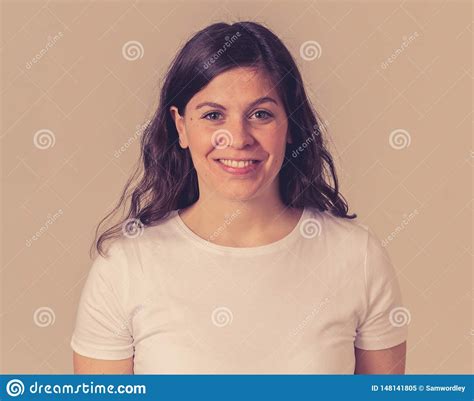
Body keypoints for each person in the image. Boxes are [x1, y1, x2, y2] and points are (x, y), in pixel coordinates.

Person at [71, 21, 407, 374]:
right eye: (213, 115)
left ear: (289, 125)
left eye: (261, 114)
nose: (237, 137)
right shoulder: (124, 267)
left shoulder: (357, 257)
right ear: (181, 127)